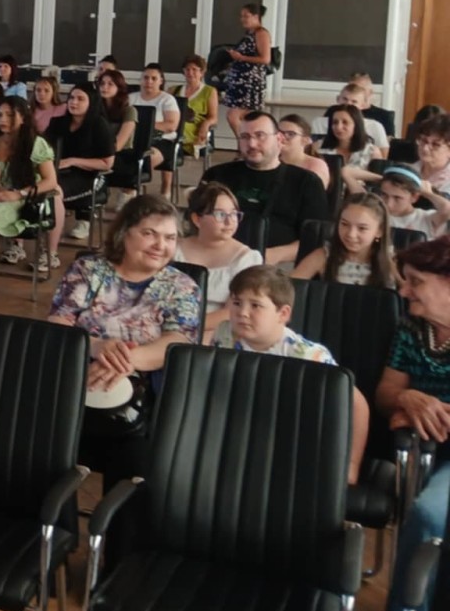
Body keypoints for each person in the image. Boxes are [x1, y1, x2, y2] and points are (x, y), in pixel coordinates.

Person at [352, 237, 450, 611]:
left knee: (428, 514)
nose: (405, 292)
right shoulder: (412, 329)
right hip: (425, 449)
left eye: (415, 282)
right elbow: (386, 393)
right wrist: (409, 398)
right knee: (426, 516)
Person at [48, 196, 202, 486]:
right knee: (35, 448)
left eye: (170, 238)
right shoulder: (88, 270)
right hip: (75, 376)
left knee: (132, 465)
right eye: (149, 233)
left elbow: (177, 341)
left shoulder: (181, 287)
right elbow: (59, 323)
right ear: (124, 233)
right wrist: (96, 346)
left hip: (143, 391)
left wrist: (121, 361)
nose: (160, 245)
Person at [211, 265, 366, 483]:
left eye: (255, 305)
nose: (242, 313)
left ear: (283, 314)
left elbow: (358, 405)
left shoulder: (308, 355)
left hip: (290, 440)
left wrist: (351, 465)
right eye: (237, 303)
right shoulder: (224, 333)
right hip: (237, 431)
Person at [201, 111, 329, 266]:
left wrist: (273, 255)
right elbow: (197, 224)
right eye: (245, 137)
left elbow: (316, 239)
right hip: (220, 259)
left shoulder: (306, 182)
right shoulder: (217, 175)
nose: (252, 144)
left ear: (279, 139)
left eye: (260, 135)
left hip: (280, 265)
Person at [174, 182, 261, 331]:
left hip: (218, 332)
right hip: (170, 325)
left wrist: (186, 328)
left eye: (233, 214)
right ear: (197, 219)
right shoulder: (173, 249)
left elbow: (233, 311)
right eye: (220, 214)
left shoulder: (247, 259)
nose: (229, 221)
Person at [0, 97, 62, 274]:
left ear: (23, 118)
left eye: (9, 115)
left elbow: (50, 181)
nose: (3, 119)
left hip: (24, 199)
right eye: (0, 115)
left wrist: (18, 194)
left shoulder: (36, 143)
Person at [44, 85, 115, 243]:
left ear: (91, 103)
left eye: (80, 99)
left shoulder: (99, 125)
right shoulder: (58, 122)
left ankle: (50, 248)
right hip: (57, 172)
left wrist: (72, 161)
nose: (73, 102)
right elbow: (43, 148)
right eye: (71, 98)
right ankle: (18, 242)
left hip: (88, 177)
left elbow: (107, 163)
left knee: (53, 191)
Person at [291, 192, 395, 288]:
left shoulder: (392, 261)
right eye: (344, 224)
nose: (351, 234)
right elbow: (289, 288)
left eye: (362, 228)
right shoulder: (324, 256)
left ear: (379, 231)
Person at [221, 2, 273, 135]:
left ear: (256, 16)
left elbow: (265, 59)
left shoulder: (261, 33)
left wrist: (241, 58)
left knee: (234, 116)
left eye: (246, 16)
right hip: (240, 82)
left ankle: (244, 142)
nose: (242, 19)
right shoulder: (248, 34)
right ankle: (246, 142)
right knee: (246, 119)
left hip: (250, 83)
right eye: (241, 16)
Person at [133, 64, 183, 197]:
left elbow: (171, 125)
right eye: (146, 78)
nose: (149, 81)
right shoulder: (131, 98)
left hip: (162, 141)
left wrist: (144, 126)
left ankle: (163, 192)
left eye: (154, 78)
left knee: (143, 160)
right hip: (134, 140)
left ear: (161, 81)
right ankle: (129, 195)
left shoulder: (167, 100)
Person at [320, 102, 383, 193]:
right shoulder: (319, 147)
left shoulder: (372, 151)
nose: (339, 127)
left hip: (357, 196)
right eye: (335, 122)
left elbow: (377, 185)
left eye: (345, 122)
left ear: (356, 125)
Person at [312, 82, 390, 152]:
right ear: (338, 99)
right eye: (345, 99)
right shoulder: (319, 123)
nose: (348, 104)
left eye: (354, 101)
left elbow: (382, 158)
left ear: (363, 105)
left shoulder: (375, 126)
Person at [376, 167, 449, 239]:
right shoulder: (375, 216)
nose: (389, 203)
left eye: (397, 198)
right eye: (384, 194)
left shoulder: (425, 218)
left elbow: (447, 209)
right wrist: (380, 179)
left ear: (414, 197)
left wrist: (427, 193)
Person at [175, 54, 218, 159]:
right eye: (187, 69)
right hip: (175, 123)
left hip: (196, 128)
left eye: (194, 69)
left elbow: (213, 117)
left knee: (179, 128)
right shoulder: (174, 90)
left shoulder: (209, 91)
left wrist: (206, 125)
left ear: (202, 72)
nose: (190, 73)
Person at [276, 114, 332, 190]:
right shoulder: (269, 161)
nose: (282, 137)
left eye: (290, 134)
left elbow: (313, 194)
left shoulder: (316, 165)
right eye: (278, 133)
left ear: (305, 140)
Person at [96, 70, 137, 154]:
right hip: (98, 152)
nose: (104, 87)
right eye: (102, 83)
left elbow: (118, 145)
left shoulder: (129, 111)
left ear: (119, 88)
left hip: (121, 154)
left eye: (110, 84)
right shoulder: (96, 108)